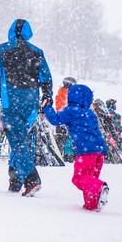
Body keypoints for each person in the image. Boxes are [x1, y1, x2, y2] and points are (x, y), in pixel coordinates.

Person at [0, 18, 54, 196]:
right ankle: (15, 178)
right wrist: (47, 96)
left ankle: (31, 178)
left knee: (16, 139)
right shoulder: (37, 52)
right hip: (31, 102)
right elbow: (46, 77)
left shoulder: (2, 48)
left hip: (11, 99)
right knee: (22, 138)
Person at [43, 82, 110, 211]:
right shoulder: (90, 113)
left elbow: (55, 120)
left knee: (79, 178)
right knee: (90, 180)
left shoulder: (70, 111)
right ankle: (92, 206)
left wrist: (47, 107)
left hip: (86, 151)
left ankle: (100, 187)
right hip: (99, 152)